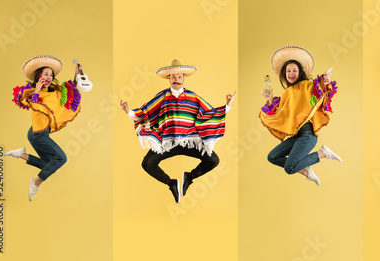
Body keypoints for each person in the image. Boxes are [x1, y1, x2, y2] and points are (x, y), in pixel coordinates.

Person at [120, 59, 236, 203]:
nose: (176, 80)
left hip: (189, 142)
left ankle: (189, 177)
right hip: (168, 143)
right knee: (147, 163)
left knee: (213, 160)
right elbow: (146, 112)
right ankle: (172, 184)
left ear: (183, 77)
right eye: (173, 77)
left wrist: (227, 107)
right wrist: (128, 111)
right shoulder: (162, 96)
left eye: (179, 76)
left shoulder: (193, 97)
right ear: (169, 78)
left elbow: (208, 113)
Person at [259, 46, 342, 186]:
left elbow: (319, 90)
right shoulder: (287, 93)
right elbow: (280, 113)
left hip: (307, 134)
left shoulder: (306, 86)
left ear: (300, 72)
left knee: (289, 168)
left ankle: (322, 153)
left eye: (294, 70)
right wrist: (270, 98)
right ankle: (306, 170)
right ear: (284, 74)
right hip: (296, 136)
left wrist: (325, 80)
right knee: (272, 157)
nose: (291, 73)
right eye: (288, 71)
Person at [5, 55, 84, 201]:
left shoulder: (54, 91)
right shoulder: (34, 92)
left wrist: (78, 71)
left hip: (39, 132)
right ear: (39, 76)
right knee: (61, 159)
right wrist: (37, 89)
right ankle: (36, 183)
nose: (49, 77)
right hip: (37, 134)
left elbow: (73, 86)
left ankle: (21, 154)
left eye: (51, 75)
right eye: (46, 74)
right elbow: (24, 100)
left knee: (51, 164)